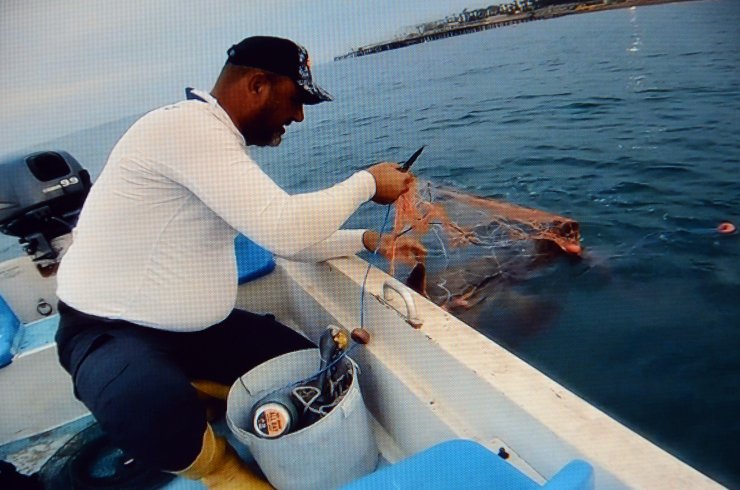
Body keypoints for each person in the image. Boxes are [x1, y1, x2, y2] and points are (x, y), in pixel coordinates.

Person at [55, 36, 425, 488]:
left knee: (307, 367)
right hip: (105, 331)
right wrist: (367, 182)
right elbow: (285, 226)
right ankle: (218, 467)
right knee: (145, 402)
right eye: (296, 99)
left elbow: (281, 237)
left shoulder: (217, 142)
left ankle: (199, 393)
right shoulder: (187, 130)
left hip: (193, 333)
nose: (299, 116)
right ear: (258, 85)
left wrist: (369, 238)